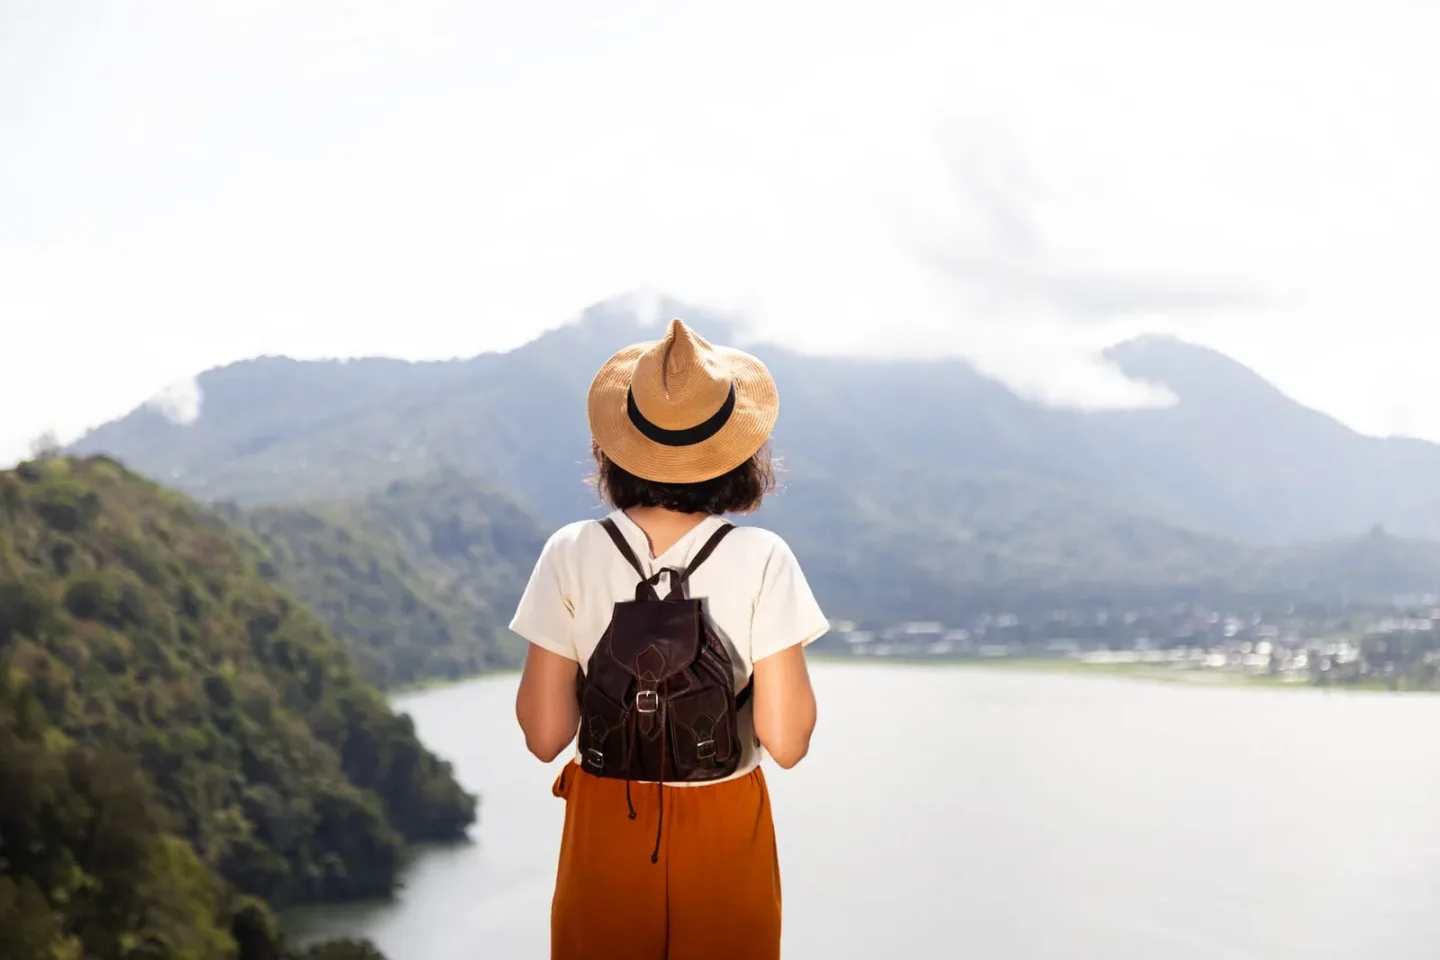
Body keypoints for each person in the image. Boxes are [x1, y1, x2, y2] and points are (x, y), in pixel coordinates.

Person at [510, 317, 829, 960]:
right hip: (724, 823)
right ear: (737, 451)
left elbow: (545, 737)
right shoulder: (762, 557)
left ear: (617, 446)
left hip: (605, 823)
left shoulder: (569, 552)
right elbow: (787, 742)